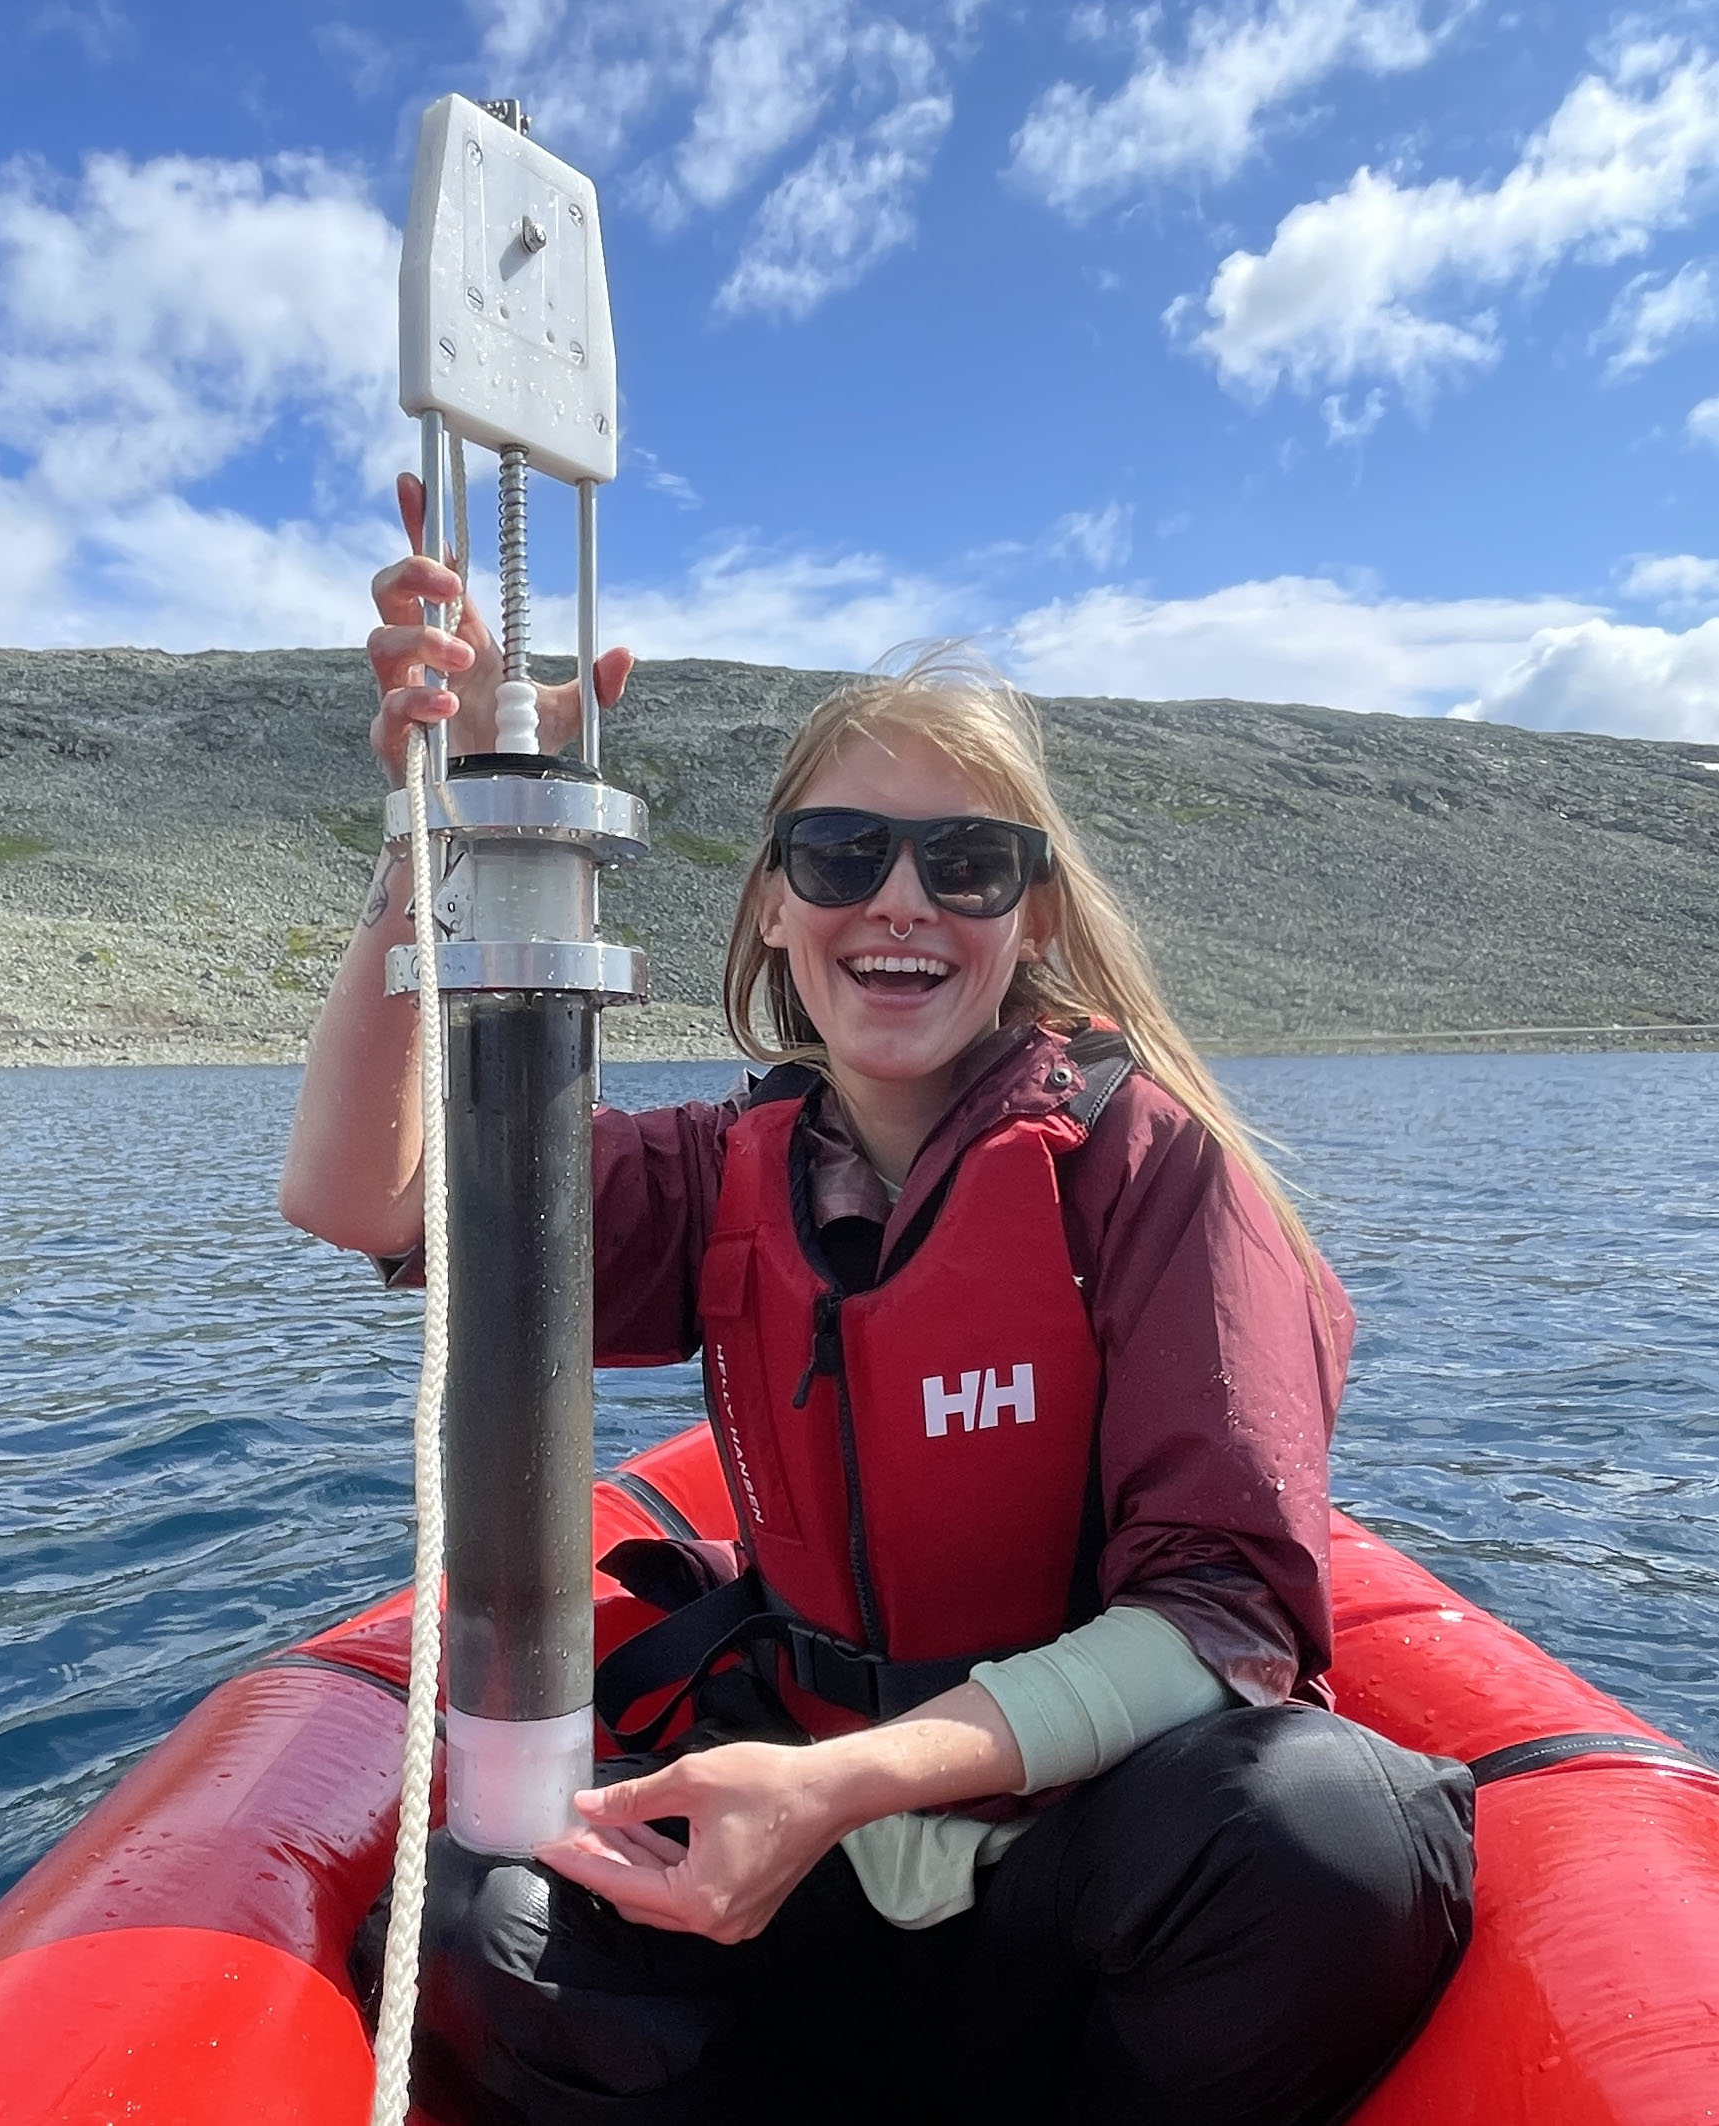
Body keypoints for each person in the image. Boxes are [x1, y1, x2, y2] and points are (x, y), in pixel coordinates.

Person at [282, 476, 1475, 2126]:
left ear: (1028, 913)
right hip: (814, 1857)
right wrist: (438, 835)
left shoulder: (1149, 1170)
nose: (897, 899)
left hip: (1083, 1861)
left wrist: (839, 1783)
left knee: (1317, 1842)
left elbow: (1225, 1614)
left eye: (965, 861)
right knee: (499, 1924)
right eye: (841, 851)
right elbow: (372, 1197)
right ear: (773, 902)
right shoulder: (720, 1171)